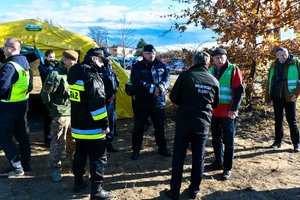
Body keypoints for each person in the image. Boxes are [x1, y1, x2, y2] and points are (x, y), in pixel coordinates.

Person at [165, 51, 219, 200]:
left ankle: (174, 192)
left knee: (179, 158)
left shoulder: (185, 76)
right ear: (208, 63)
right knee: (199, 158)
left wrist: (186, 102)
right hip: (202, 124)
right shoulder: (214, 81)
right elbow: (215, 103)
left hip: (184, 122)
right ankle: (194, 190)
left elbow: (173, 97)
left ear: (193, 62)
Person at [67, 48, 115, 199]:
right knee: (98, 157)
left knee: (80, 153)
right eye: (101, 61)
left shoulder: (74, 72)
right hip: (93, 128)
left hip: (77, 125)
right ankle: (97, 191)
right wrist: (105, 125)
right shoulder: (92, 77)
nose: (102, 65)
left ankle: (78, 182)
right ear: (94, 59)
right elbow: (98, 106)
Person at [205, 47, 244, 180]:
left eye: (222, 57)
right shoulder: (210, 70)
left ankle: (227, 168)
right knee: (216, 139)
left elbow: (239, 91)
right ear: (213, 59)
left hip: (228, 112)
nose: (220, 60)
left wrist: (234, 109)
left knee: (228, 141)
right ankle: (218, 162)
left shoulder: (233, 69)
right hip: (213, 112)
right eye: (217, 58)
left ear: (226, 57)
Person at [40, 50, 78, 182]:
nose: (73, 64)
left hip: (73, 113)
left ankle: (71, 162)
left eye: (75, 61)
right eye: (71, 61)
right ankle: (55, 169)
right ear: (64, 59)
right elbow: (45, 94)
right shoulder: (56, 74)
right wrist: (54, 108)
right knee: (57, 142)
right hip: (60, 114)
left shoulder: (75, 73)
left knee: (72, 141)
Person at [130, 44, 171, 160]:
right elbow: (136, 82)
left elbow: (167, 78)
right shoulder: (137, 66)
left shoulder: (160, 65)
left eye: (153, 53)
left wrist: (162, 87)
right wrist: (153, 88)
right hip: (142, 103)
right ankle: (136, 150)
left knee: (160, 127)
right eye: (148, 53)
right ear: (143, 54)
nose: (151, 55)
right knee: (139, 127)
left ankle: (162, 149)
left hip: (158, 102)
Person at [0, 38, 33, 177]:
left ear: (12, 49)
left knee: (4, 137)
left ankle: (17, 167)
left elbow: (1, 86)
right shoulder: (25, 65)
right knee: (22, 136)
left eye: (4, 46)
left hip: (8, 107)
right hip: (21, 105)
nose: (2, 48)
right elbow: (30, 86)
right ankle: (25, 165)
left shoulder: (10, 66)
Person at [265, 47, 300, 152]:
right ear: (277, 56)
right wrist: (268, 98)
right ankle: (277, 142)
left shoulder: (295, 63)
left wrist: (296, 94)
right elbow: (270, 81)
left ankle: (296, 144)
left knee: (291, 120)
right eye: (282, 55)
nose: (285, 56)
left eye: (286, 54)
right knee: (278, 120)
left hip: (290, 96)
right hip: (277, 96)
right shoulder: (273, 65)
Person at [100, 47, 119, 152]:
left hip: (111, 101)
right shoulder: (98, 70)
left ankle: (109, 143)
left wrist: (114, 94)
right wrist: (108, 95)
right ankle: (102, 143)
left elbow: (116, 83)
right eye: (107, 57)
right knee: (103, 122)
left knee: (111, 121)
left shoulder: (111, 70)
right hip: (102, 101)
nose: (109, 59)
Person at [39, 49, 59, 146]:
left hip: (56, 96)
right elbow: (47, 77)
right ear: (46, 57)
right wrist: (53, 67)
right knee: (47, 119)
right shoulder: (42, 67)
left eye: (54, 57)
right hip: (47, 95)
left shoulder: (57, 66)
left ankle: (56, 137)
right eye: (50, 57)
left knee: (55, 117)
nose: (52, 59)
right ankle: (47, 139)